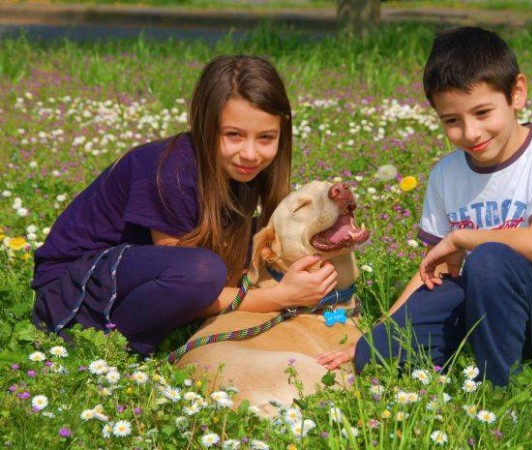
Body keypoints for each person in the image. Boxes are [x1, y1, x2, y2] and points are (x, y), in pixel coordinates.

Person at [316, 27, 532, 386]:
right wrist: (375, 333)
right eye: (452, 120)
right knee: (376, 353)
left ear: (517, 93)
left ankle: (496, 388)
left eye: (482, 112)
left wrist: (462, 238)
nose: (471, 133)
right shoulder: (446, 174)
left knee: (489, 258)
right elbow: (432, 272)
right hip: (484, 301)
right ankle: (449, 363)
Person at [32, 55, 338, 355]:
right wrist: (282, 296)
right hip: (72, 292)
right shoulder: (170, 172)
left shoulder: (242, 169)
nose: (250, 153)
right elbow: (194, 287)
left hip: (137, 277)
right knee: (203, 272)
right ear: (205, 124)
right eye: (233, 135)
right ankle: (110, 349)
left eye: (266, 137)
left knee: (273, 236)